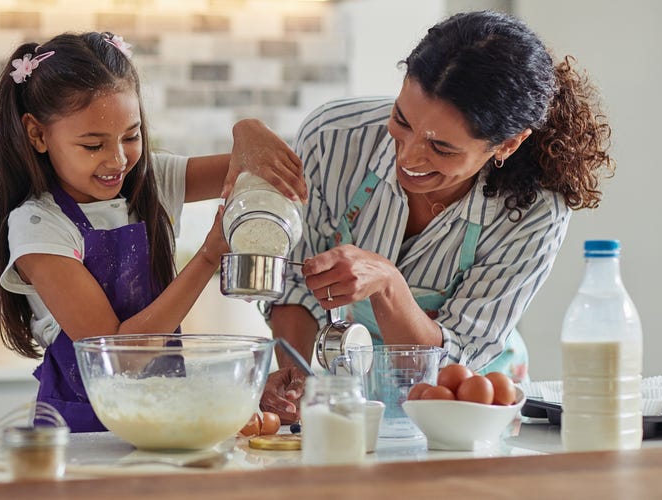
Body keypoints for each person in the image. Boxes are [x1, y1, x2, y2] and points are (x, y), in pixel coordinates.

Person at [259, 10, 615, 424]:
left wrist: (388, 284)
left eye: (442, 148)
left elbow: (453, 361)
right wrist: (300, 378)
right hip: (347, 397)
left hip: (464, 414)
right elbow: (295, 285)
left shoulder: (534, 213)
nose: (408, 157)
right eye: (401, 120)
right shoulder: (332, 138)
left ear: (507, 144)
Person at [0, 31, 304, 432]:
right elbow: (121, 357)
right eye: (92, 145)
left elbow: (256, 167)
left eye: (131, 136)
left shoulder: (150, 182)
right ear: (37, 134)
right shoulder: (39, 228)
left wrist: (248, 127)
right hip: (83, 434)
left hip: (160, 418)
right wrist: (209, 256)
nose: (118, 160)